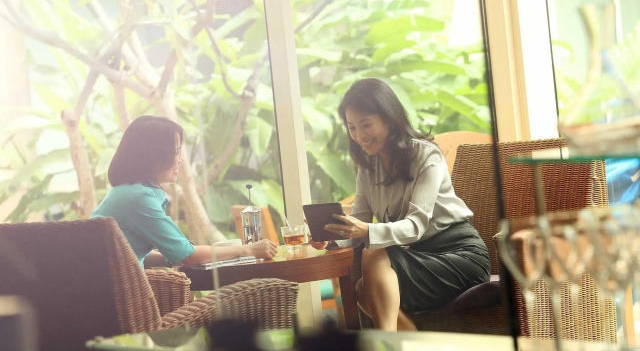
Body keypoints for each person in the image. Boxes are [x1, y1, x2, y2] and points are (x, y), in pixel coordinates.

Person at [309, 78, 490, 331]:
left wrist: (366, 230)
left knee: (374, 255)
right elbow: (359, 222)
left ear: (390, 119)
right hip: (416, 257)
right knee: (363, 289)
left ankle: (388, 342)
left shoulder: (426, 155)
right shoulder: (367, 168)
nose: (359, 136)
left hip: (459, 256)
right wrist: (330, 238)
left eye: (366, 125)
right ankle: (408, 341)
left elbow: (416, 226)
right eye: (351, 127)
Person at [90, 115, 277, 268]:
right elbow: (189, 256)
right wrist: (248, 250)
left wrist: (171, 256)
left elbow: (131, 254)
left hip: (108, 294)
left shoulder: (124, 192)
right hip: (122, 298)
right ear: (155, 156)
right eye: (177, 151)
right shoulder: (139, 198)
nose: (180, 160)